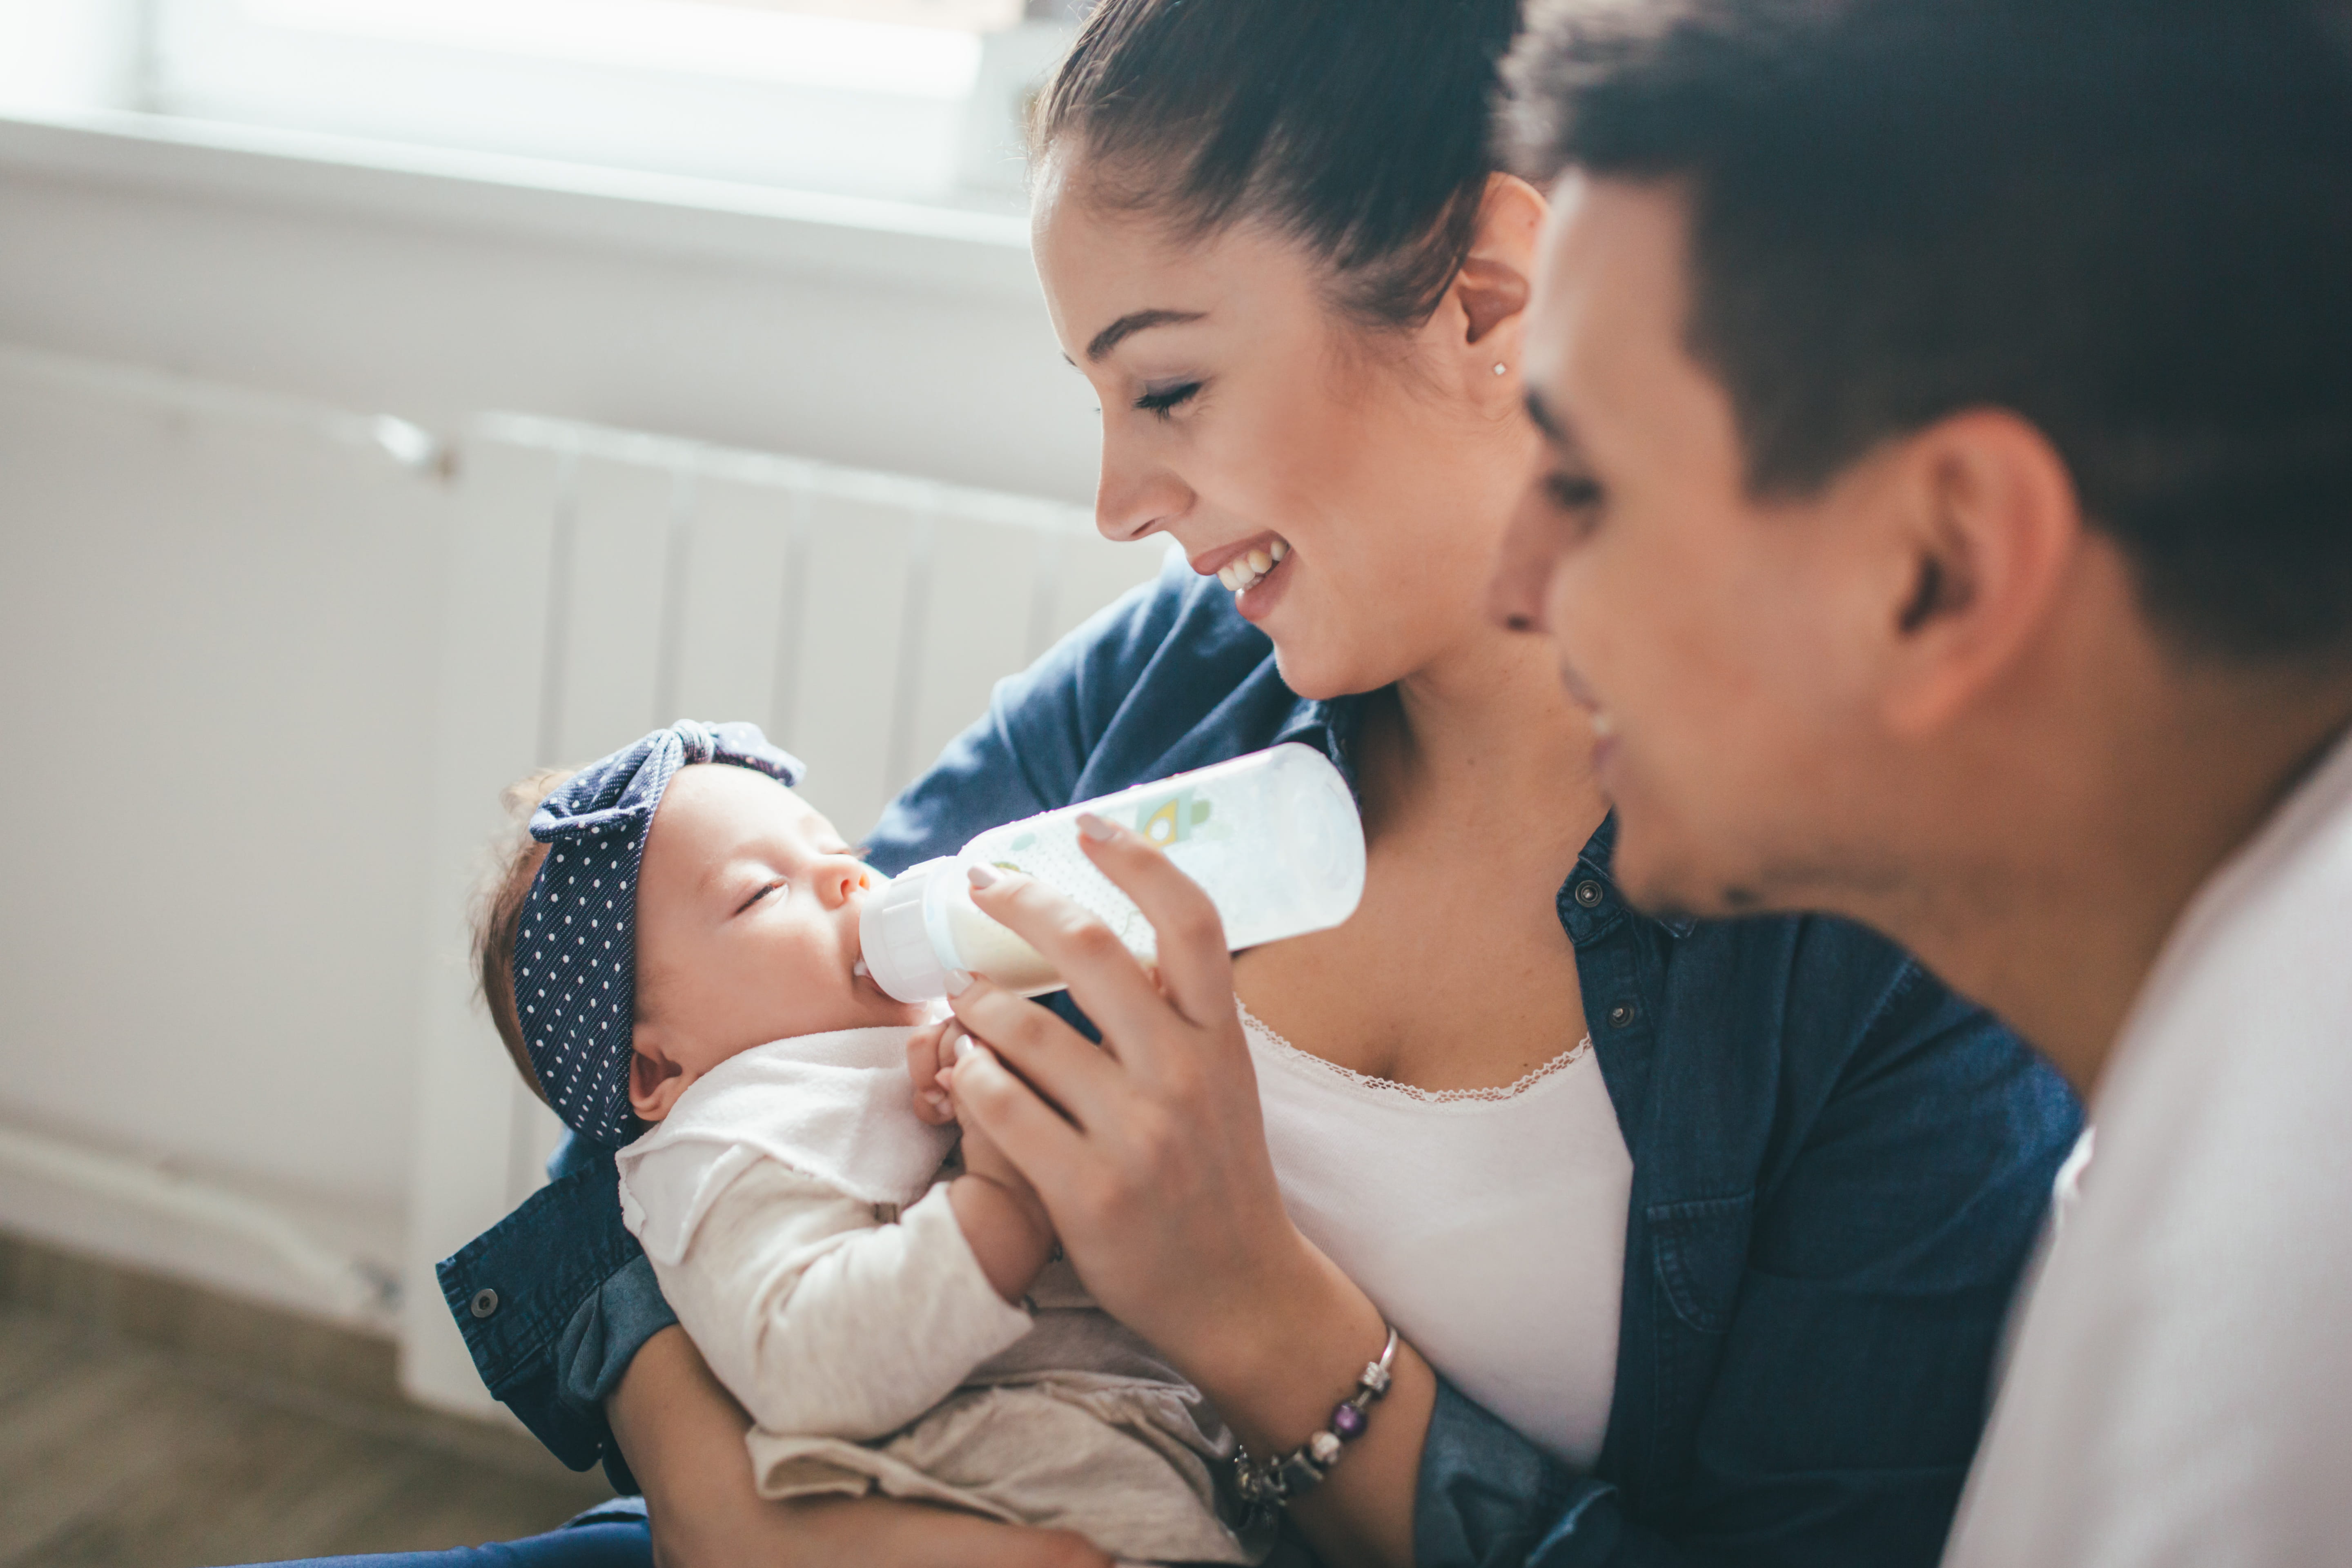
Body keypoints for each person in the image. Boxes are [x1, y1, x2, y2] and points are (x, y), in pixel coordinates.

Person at [407, 3, 2078, 1567]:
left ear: (1488, 295)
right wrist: (733, 1516)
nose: (1122, 499)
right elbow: (665, 1075)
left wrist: (1260, 1311)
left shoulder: (1894, 936)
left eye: (1172, 387)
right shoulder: (1181, 682)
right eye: (1102, 404)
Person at [1485, 2, 2352, 1565]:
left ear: (1943, 569)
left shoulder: (2288, 1296)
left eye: (1587, 487)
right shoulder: (2219, 1055)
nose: (1516, 585)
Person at [474, 721, 1263, 1566]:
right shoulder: (734, 1144)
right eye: (762, 894)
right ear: (659, 1068)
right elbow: (803, 1361)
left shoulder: (897, 1061)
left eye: (839, 851)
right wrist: (996, 1210)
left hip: (1149, 1453)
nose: (853, 878)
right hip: (982, 1493)